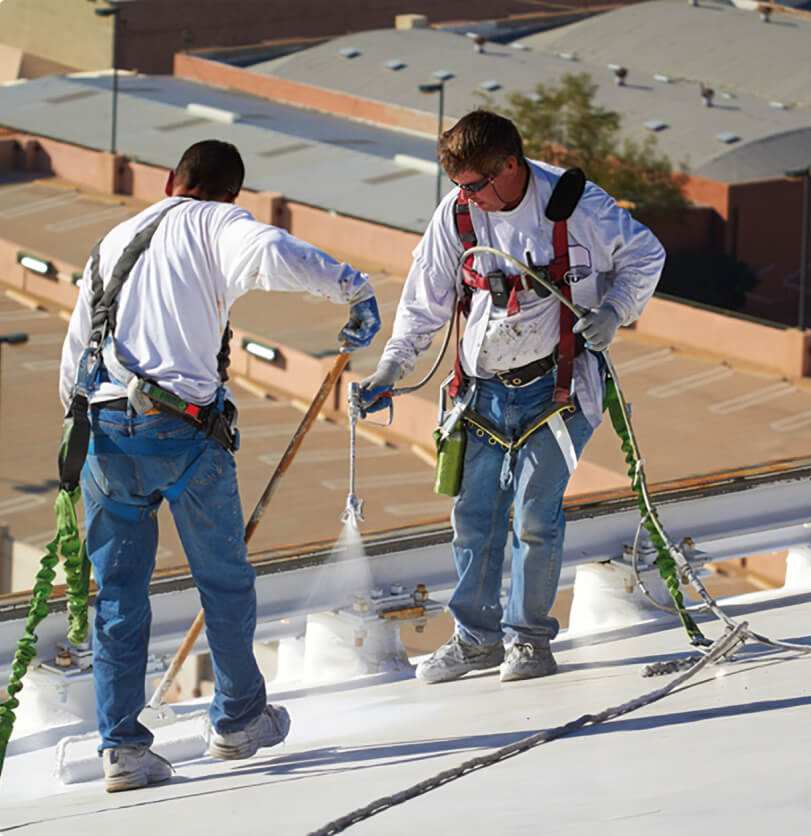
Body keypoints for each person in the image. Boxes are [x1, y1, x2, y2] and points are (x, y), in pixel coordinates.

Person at [59, 139, 381, 792]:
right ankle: (237, 720)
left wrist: (77, 454)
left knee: (118, 597)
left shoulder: (112, 243)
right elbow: (273, 254)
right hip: (182, 435)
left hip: (104, 435)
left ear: (171, 181)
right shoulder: (218, 224)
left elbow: (75, 356)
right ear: (233, 194)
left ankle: (121, 749)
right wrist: (355, 290)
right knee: (224, 584)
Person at [359, 110, 664, 684]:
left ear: (510, 166)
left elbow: (646, 255)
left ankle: (529, 640)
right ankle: (477, 640)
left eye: (476, 184)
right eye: (459, 186)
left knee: (534, 519)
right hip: (482, 393)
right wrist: (391, 366)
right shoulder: (458, 214)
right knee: (474, 520)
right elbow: (424, 299)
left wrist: (614, 312)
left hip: (557, 390)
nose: (467, 197)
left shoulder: (574, 206)